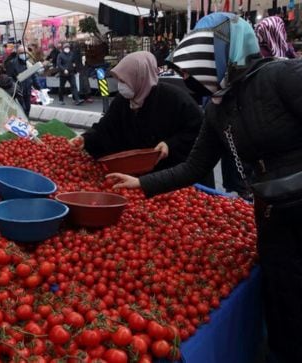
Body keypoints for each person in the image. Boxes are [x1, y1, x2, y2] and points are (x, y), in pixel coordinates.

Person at [107, 13, 302, 363]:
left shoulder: (281, 76)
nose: (186, 79)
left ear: (222, 57)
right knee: (283, 299)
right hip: (272, 213)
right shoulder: (217, 108)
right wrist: (141, 182)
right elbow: (194, 167)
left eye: (190, 70)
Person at [69, 51, 205, 174]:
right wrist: (86, 139)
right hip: (134, 172)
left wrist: (170, 144)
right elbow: (106, 127)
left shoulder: (175, 99)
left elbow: (197, 130)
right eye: (119, 80)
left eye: (124, 80)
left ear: (140, 77)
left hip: (168, 174)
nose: (120, 85)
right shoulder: (123, 100)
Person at [7, 45, 40, 117]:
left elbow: (33, 76)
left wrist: (39, 87)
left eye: (25, 53)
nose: (23, 54)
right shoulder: (12, 63)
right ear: (18, 53)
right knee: (22, 109)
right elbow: (10, 77)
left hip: (27, 89)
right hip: (18, 91)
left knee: (28, 108)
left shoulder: (28, 63)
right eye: (21, 53)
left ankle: (26, 123)